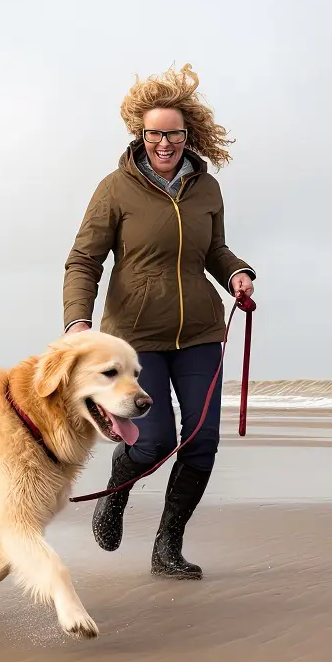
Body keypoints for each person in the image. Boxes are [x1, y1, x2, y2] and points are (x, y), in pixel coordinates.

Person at [62, 63, 256, 580]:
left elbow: (213, 249)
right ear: (140, 135)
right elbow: (84, 259)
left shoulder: (206, 189)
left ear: (187, 134)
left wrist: (235, 272)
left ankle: (168, 544)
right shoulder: (115, 189)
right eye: (154, 134)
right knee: (150, 440)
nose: (164, 143)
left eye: (172, 133)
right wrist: (78, 321)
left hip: (199, 333)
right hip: (134, 337)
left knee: (200, 439)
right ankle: (116, 496)